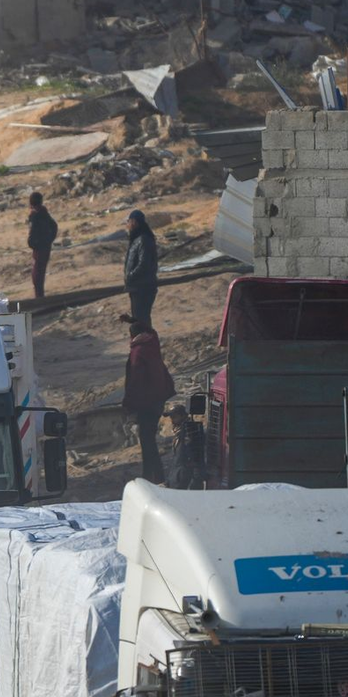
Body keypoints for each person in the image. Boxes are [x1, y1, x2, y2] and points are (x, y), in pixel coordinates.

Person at [122, 320, 174, 484]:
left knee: (147, 442)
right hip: (157, 400)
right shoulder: (152, 344)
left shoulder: (138, 352)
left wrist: (129, 405)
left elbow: (136, 381)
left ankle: (151, 476)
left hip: (146, 403)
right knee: (149, 439)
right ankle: (154, 475)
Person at [124, 209, 159, 325]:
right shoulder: (136, 240)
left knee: (142, 320)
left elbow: (144, 264)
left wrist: (130, 276)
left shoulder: (144, 240)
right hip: (136, 287)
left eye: (128, 221)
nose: (127, 225)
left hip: (143, 287)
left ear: (134, 222)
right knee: (138, 320)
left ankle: (147, 342)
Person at [164, 404, 206, 489]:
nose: (172, 421)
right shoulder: (180, 433)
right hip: (177, 479)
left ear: (182, 416)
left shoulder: (190, 433)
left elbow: (196, 459)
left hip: (184, 482)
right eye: (171, 418)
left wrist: (195, 482)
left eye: (174, 417)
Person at [27, 192, 58, 299]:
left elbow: (32, 233)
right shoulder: (44, 213)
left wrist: (33, 244)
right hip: (46, 247)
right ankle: (40, 295)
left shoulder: (35, 215)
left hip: (39, 248)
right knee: (41, 271)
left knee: (37, 274)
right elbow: (54, 226)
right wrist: (49, 240)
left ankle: (39, 297)